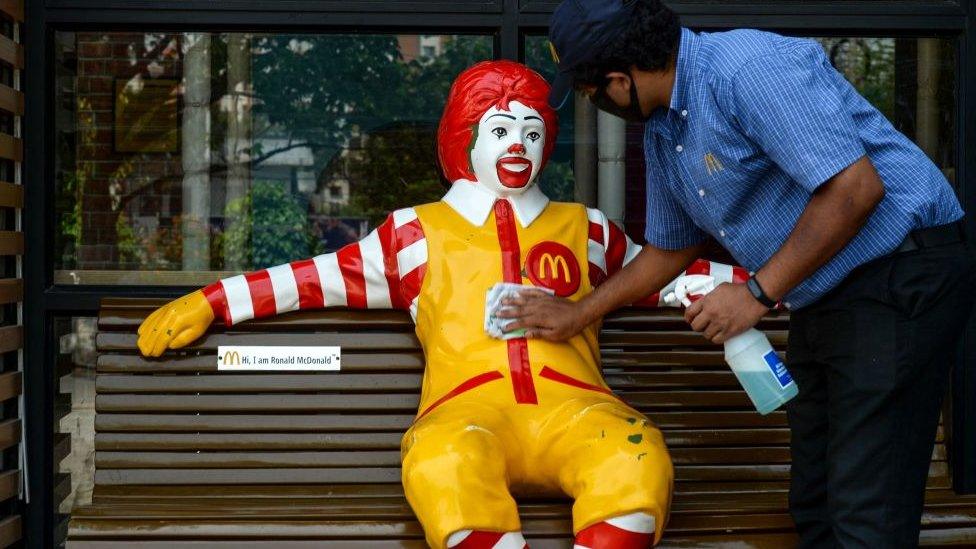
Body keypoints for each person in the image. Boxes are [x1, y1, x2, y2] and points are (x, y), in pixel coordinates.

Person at [136, 60, 749, 549]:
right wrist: (214, 301)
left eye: (533, 132)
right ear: (468, 136)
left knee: (635, 454)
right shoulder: (415, 233)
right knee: (446, 464)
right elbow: (316, 277)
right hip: (465, 414)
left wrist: (767, 285)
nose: (519, 146)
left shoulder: (584, 228)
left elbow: (666, 273)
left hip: (581, 412)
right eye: (502, 130)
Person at [499, 0, 976, 547]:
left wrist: (754, 292)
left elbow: (856, 189)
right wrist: (578, 313)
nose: (599, 105)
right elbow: (668, 250)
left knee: (866, 511)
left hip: (900, 273)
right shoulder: (663, 131)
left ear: (620, 79)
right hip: (827, 294)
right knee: (815, 502)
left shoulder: (746, 69)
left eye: (593, 95)